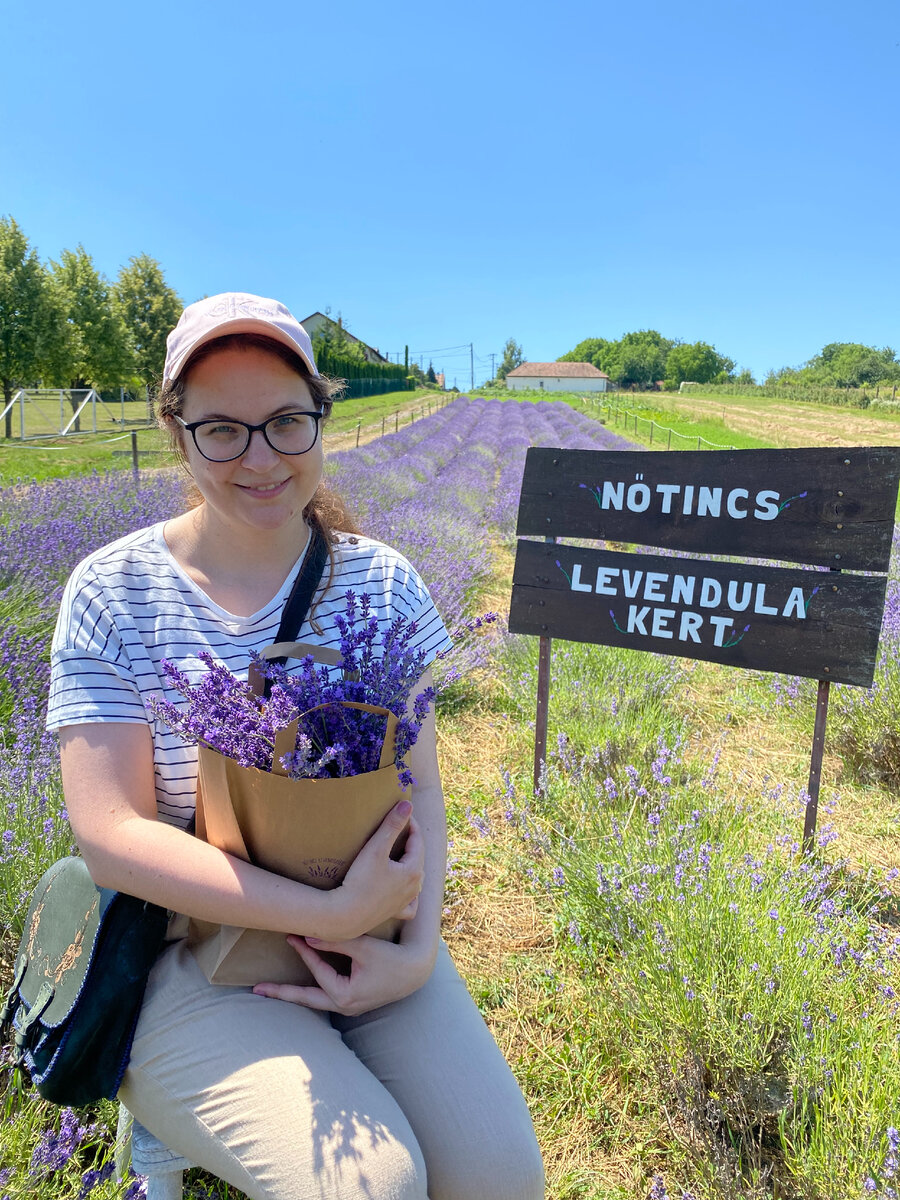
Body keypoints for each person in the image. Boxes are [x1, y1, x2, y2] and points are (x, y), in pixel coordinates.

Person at [47, 293, 545, 1200]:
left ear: (322, 416)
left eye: (285, 421)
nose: (261, 457)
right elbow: (110, 834)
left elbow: (421, 790)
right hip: (189, 953)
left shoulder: (381, 583)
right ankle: (160, 1109)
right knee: (375, 1184)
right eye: (221, 431)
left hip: (372, 935)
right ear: (177, 434)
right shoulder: (112, 592)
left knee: (500, 1179)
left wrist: (417, 947)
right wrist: (326, 913)